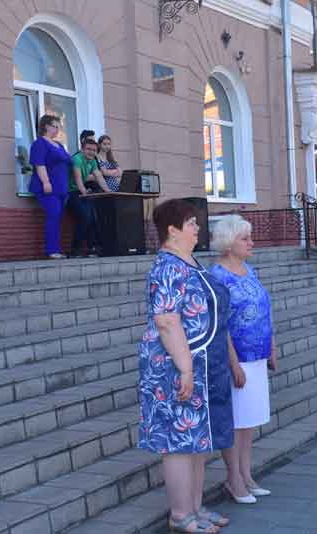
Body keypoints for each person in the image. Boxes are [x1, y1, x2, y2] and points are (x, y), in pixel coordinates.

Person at [138, 199, 233, 534]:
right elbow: (166, 321)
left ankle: (194, 507)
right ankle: (180, 515)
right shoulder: (166, 266)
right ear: (172, 230)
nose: (198, 228)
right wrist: (185, 368)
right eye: (191, 222)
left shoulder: (189, 262)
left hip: (200, 362)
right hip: (175, 365)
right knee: (178, 442)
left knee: (196, 439)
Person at [209, 215, 277, 503]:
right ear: (228, 243)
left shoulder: (249, 269)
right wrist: (234, 363)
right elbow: (220, 325)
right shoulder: (218, 277)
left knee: (249, 421)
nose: (251, 242)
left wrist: (271, 346)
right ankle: (233, 479)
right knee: (235, 422)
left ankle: (246, 475)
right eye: (245, 238)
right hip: (236, 359)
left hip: (258, 355)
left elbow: (265, 308)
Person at [29, 114, 71, 259]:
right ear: (46, 126)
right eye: (55, 126)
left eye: (59, 127)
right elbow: (39, 164)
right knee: (53, 214)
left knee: (58, 217)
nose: (57, 130)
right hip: (48, 189)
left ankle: (57, 249)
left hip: (62, 189)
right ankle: (52, 250)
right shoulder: (39, 143)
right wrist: (46, 182)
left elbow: (68, 162)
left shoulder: (59, 145)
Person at [68, 139, 111, 257]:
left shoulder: (92, 162)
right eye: (88, 149)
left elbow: (99, 176)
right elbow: (77, 179)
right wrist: (84, 192)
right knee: (85, 217)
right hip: (72, 193)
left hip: (83, 193)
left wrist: (108, 191)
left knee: (93, 218)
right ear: (82, 149)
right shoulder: (76, 159)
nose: (91, 152)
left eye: (94, 150)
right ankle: (75, 250)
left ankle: (93, 249)